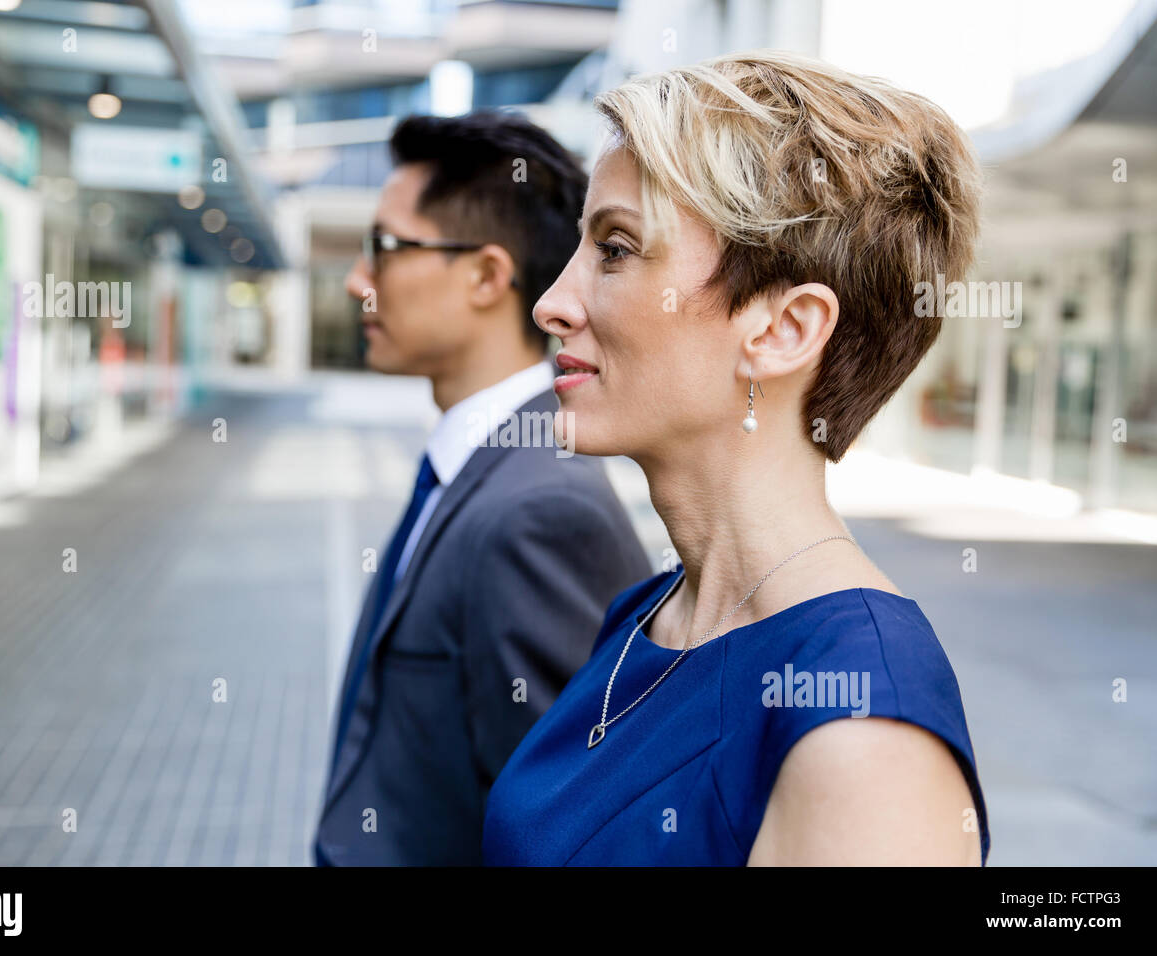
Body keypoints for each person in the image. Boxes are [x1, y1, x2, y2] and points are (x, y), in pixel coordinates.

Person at [483, 53, 992, 865]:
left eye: (615, 248)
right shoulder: (646, 619)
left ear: (781, 330)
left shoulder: (864, 730)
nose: (552, 303)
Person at [314, 111, 651, 866]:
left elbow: (575, 834)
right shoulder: (483, 467)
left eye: (385, 249)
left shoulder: (541, 510)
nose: (356, 280)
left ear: (487, 275)